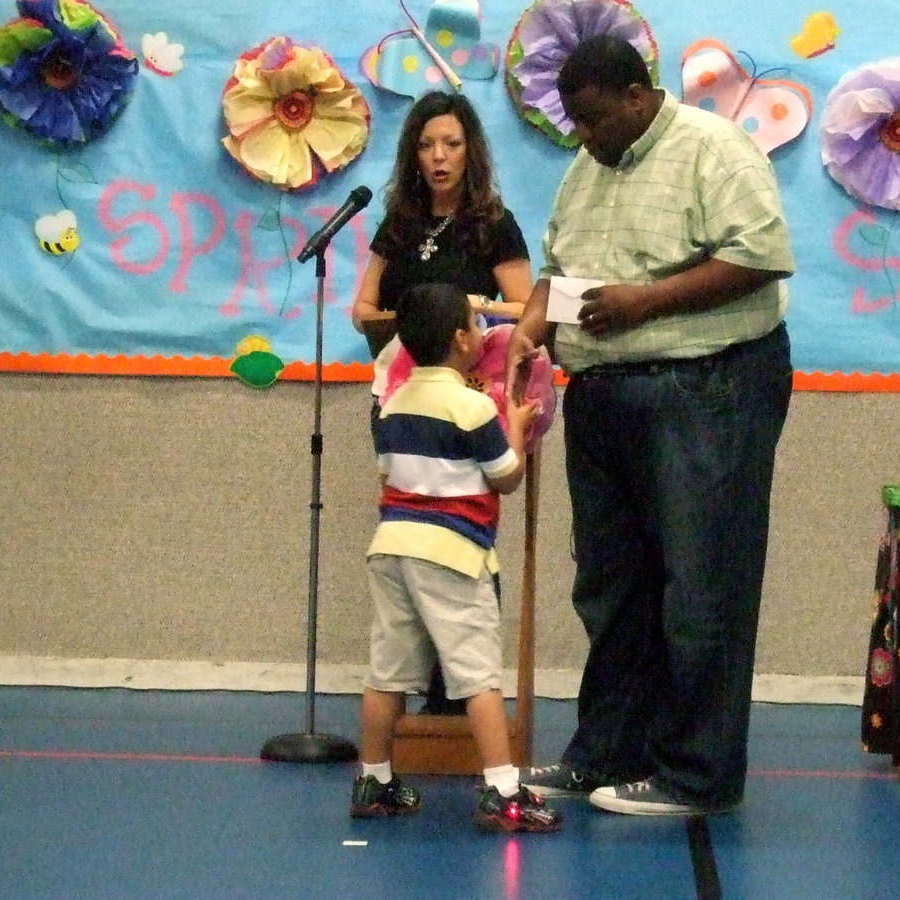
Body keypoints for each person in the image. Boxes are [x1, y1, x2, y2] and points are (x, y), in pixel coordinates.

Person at [507, 35, 795, 816]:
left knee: (702, 586)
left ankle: (695, 775)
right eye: (574, 124)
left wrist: (647, 300)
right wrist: (532, 326)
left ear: (638, 97)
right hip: (603, 396)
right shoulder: (587, 167)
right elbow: (558, 270)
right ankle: (607, 751)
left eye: (594, 120)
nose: (584, 137)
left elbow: (762, 257)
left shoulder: (716, 150)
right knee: (611, 589)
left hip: (707, 387)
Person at [350, 282, 561, 834]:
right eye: (474, 322)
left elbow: (387, 476)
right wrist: (514, 426)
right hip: (453, 555)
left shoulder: (391, 405)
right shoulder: (473, 407)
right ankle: (503, 791)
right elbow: (506, 476)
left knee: (387, 673)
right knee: (477, 676)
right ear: (462, 339)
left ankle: (373, 780)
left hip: (392, 548)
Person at [352, 90, 532, 714]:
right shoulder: (398, 221)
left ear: (471, 151)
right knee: (410, 530)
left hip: (471, 395)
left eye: (451, 144)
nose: (438, 157)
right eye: (426, 145)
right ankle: (418, 690)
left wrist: (470, 310)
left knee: (464, 534)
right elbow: (363, 310)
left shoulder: (493, 222)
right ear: (412, 154)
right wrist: (417, 320)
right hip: (402, 391)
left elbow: (524, 307)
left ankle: (464, 694)